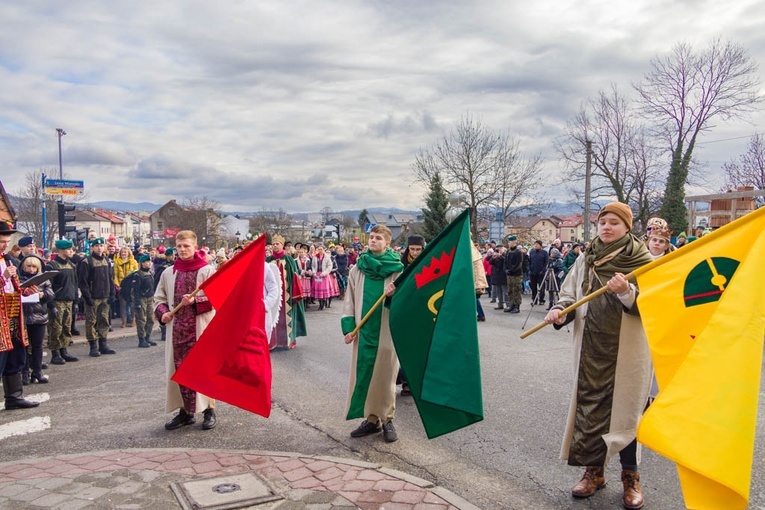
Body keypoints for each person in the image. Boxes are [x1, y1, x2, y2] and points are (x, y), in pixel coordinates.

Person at [543, 202, 653, 510]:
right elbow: (569, 294)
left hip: (627, 352)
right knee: (590, 410)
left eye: (614, 222)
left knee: (628, 413)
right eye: (603, 221)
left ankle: (630, 477)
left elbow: (656, 306)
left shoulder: (642, 260)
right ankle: (595, 472)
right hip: (590, 350)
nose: (606, 227)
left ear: (627, 228)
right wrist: (559, 311)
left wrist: (625, 292)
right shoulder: (586, 258)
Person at [342, 225, 403, 443]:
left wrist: (392, 296)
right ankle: (371, 419)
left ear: (387, 243)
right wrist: (349, 328)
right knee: (365, 376)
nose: (373, 241)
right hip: (364, 332)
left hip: (387, 332)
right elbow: (349, 300)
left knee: (385, 377)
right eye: (372, 237)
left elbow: (405, 304)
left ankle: (387, 419)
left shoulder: (397, 270)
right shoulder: (358, 269)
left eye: (378, 238)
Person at [154, 230, 217, 431]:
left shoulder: (207, 271)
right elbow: (159, 298)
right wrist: (163, 313)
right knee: (179, 370)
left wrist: (195, 301)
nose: (182, 250)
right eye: (179, 246)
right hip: (176, 331)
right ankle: (185, 412)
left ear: (195, 247)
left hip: (200, 329)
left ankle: (209, 410)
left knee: (203, 369)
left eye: (186, 246)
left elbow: (217, 298)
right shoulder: (168, 273)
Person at [0, 221, 40, 409]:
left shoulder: (8, 259)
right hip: (0, 317)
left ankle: (13, 397)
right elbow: (5, 282)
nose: (5, 245)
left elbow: (14, 287)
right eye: (1, 241)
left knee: (16, 355)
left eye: (7, 241)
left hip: (13, 314)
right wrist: (4, 278)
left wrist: (26, 290)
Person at [19, 254, 54, 385]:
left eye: (34, 266)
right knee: (24, 346)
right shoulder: (19, 278)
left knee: (38, 346)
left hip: (39, 316)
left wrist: (42, 294)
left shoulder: (43, 279)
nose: (31, 269)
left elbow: (51, 294)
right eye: (29, 266)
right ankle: (25, 372)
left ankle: (37, 372)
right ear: (24, 266)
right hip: (24, 317)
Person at [266, 234, 306, 349]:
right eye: (273, 244)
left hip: (287, 294)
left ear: (282, 245)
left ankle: (288, 339)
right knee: (273, 316)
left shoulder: (289, 260)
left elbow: (295, 278)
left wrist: (295, 294)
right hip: (272, 295)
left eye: (277, 244)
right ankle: (273, 341)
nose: (275, 246)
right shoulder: (268, 261)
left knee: (288, 315)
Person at [78, 238, 117, 357]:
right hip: (93, 296)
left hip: (105, 296)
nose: (99, 248)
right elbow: (83, 282)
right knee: (91, 321)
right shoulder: (87, 261)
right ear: (92, 248)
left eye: (101, 245)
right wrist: (87, 297)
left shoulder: (107, 260)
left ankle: (103, 344)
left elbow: (111, 278)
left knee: (104, 320)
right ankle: (93, 346)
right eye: (97, 246)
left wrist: (112, 293)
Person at [46, 239, 80, 365]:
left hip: (69, 300)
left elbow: (75, 284)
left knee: (66, 327)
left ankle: (64, 350)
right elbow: (48, 286)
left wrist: (76, 301)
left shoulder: (71, 265)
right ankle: (55, 353)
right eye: (68, 249)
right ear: (60, 250)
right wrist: (51, 304)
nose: (71, 251)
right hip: (57, 301)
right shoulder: (52, 266)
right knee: (55, 328)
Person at [132, 254, 157, 348]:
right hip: (142, 299)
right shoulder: (138, 275)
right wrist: (137, 302)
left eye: (150, 261)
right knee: (141, 319)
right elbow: (136, 290)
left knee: (150, 318)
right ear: (142, 263)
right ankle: (141, 339)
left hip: (150, 298)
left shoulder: (149, 273)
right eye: (147, 261)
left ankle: (148, 337)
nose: (149, 263)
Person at [154, 247, 176, 342]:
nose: (173, 257)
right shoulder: (163, 268)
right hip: (165, 291)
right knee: (164, 310)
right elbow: (158, 281)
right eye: (171, 255)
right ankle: (163, 332)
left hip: (174, 291)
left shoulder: (176, 265)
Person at [113, 246, 138, 328]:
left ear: (128, 253)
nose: (123, 253)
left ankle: (132, 320)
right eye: (122, 252)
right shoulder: (116, 262)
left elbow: (136, 273)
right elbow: (115, 275)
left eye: (125, 252)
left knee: (132, 304)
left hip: (131, 285)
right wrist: (117, 284)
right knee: (123, 305)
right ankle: (123, 321)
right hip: (121, 286)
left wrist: (134, 284)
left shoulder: (133, 262)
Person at [503, 236, 523, 314]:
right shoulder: (508, 252)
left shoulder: (518, 252)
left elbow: (519, 264)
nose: (508, 243)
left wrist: (512, 270)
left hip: (516, 275)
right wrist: (506, 270)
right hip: (509, 275)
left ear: (514, 242)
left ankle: (517, 306)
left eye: (510, 242)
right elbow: (505, 262)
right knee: (510, 290)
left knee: (516, 290)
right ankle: (512, 305)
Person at [528, 240, 549, 305]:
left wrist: (543, 271)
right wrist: (529, 270)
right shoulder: (532, 252)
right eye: (535, 244)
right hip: (533, 272)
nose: (536, 245)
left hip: (541, 273)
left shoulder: (544, 253)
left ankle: (541, 299)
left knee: (541, 287)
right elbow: (529, 262)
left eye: (537, 244)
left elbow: (546, 263)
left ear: (540, 245)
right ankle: (534, 299)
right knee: (533, 287)